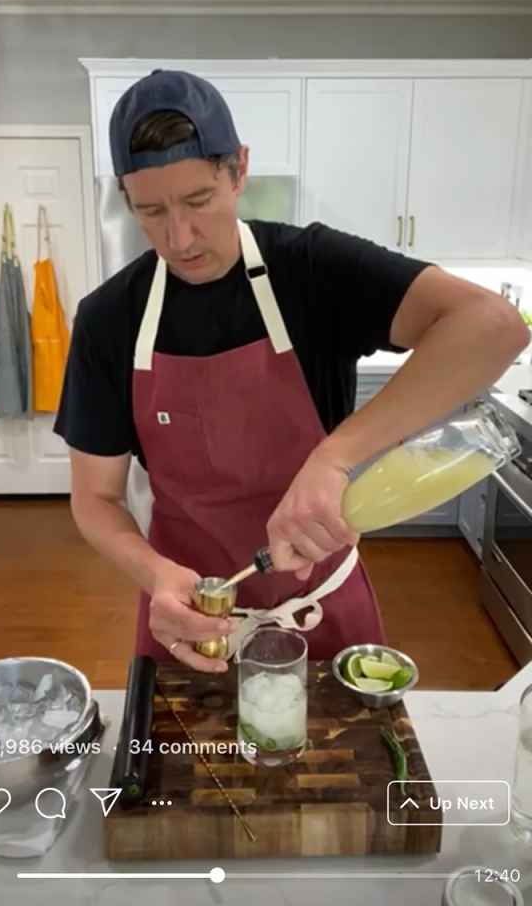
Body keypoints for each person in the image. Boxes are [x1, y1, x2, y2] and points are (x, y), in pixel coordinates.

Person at [54, 69, 528, 673]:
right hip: (188, 627)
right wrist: (154, 573)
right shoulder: (108, 320)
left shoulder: (311, 270)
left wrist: (334, 458)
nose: (179, 237)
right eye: (150, 211)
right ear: (126, 199)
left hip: (320, 613)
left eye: (198, 200)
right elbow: (96, 498)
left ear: (239, 171)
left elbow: (494, 327)